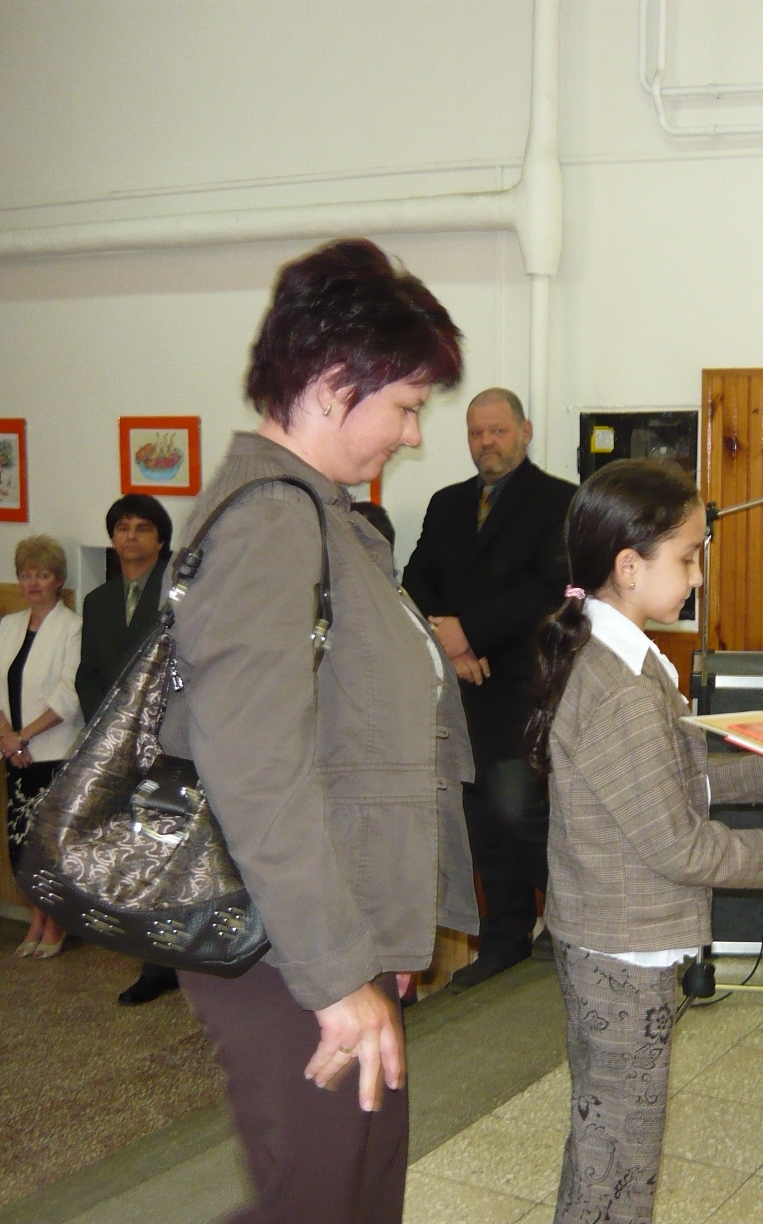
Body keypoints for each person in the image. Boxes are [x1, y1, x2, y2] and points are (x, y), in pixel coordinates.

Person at [160, 237, 477, 1224]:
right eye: (408, 406)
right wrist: (337, 974)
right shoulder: (271, 520)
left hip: (330, 927)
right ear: (336, 383)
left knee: (361, 1183)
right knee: (317, 1196)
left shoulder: (322, 513)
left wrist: (381, 936)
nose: (413, 435)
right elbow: (256, 770)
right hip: (284, 948)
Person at [527, 458, 763, 1224]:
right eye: (688, 558)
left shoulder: (623, 657)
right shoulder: (617, 687)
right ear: (629, 566)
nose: (699, 577)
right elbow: (679, 846)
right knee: (618, 1163)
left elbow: (654, 785)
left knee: (608, 1146)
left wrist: (760, 779)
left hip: (611, 942)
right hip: (621, 954)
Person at [403, 386, 576, 989]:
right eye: (477, 433)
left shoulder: (559, 501)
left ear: (524, 432)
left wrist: (469, 633)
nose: (486, 444)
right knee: (478, 821)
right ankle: (504, 938)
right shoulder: (446, 503)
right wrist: (450, 643)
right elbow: (416, 579)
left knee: (518, 811)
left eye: (497, 431)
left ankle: (569, 919)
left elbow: (551, 590)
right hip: (457, 690)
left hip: (523, 689)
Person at [77, 493, 179, 1004]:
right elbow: (88, 674)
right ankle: (153, 963)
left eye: (142, 528)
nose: (131, 536)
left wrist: (153, 730)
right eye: (122, 528)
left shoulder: (180, 595)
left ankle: (178, 959)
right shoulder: (97, 600)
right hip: (117, 746)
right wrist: (108, 731)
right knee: (137, 855)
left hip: (171, 742)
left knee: (171, 852)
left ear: (161, 540)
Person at [0, 536, 83, 959]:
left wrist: (22, 735)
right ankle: (36, 918)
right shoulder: (9, 625)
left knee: (51, 844)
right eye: (26, 575)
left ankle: (56, 922)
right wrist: (6, 735)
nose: (33, 582)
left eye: (42, 574)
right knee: (22, 844)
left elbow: (69, 696)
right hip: (15, 754)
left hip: (54, 753)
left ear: (58, 579)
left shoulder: (72, 626)